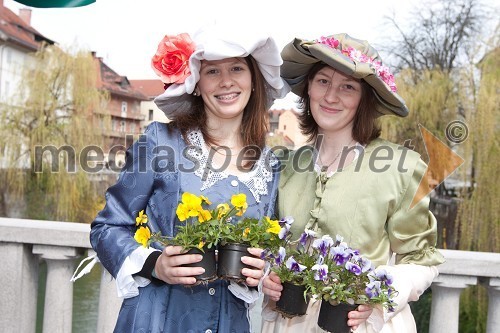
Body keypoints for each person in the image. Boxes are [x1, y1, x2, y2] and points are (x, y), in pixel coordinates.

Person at [89, 25, 289, 333]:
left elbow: (271, 247)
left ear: (253, 80)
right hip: (157, 319)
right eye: (212, 72)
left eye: (237, 68)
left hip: (229, 322)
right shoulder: (161, 143)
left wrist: (263, 269)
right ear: (196, 83)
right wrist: (153, 264)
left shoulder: (270, 165)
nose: (226, 81)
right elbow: (107, 227)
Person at [261, 33, 445, 333]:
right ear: (308, 88)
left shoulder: (401, 168)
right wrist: (269, 277)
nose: (331, 96)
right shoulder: (285, 166)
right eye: (323, 81)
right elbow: (269, 247)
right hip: (289, 324)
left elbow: (422, 260)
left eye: (347, 87)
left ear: (364, 99)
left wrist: (377, 296)